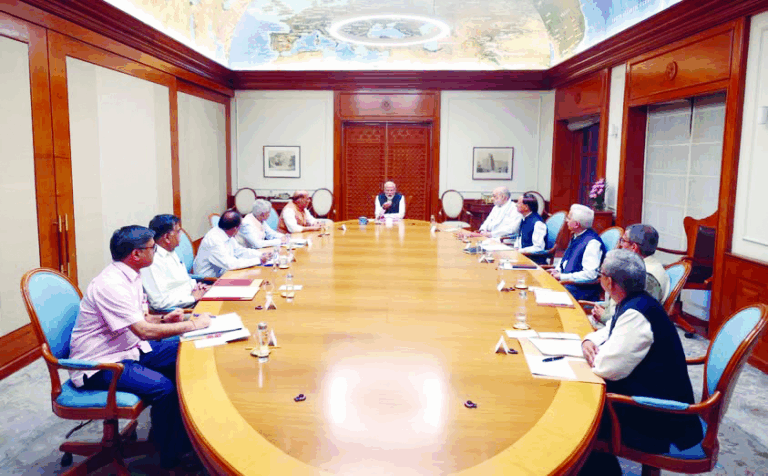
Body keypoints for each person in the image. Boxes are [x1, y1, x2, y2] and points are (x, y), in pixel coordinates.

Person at [68, 225, 213, 470]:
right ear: (136, 254)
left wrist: (164, 319)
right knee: (164, 388)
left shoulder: (132, 275)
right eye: (152, 248)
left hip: (129, 348)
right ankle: (171, 459)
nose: (156, 251)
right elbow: (143, 331)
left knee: (188, 350)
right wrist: (193, 324)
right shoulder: (111, 284)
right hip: (100, 364)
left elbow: (142, 320)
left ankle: (177, 438)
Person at [579, 250, 702, 475]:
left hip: (660, 418)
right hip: (652, 399)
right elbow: (608, 330)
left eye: (601, 274)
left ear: (609, 282)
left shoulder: (637, 313)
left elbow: (606, 368)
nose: (599, 277)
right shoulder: (636, 300)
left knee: (583, 420)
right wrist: (588, 341)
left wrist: (593, 354)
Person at [589, 224, 671, 328]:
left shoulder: (648, 277)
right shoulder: (639, 266)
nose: (620, 245)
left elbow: (638, 318)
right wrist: (603, 307)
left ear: (634, 247)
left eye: (623, 241)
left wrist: (604, 316)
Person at [140, 214, 209, 311]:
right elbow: (159, 303)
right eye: (178, 231)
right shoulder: (151, 262)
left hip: (194, 298)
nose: (180, 235)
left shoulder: (171, 250)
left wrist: (197, 287)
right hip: (182, 311)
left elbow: (182, 280)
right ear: (167, 237)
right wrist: (193, 298)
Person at [548, 203, 606, 301]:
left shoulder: (592, 243)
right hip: (568, 284)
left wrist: (562, 276)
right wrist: (558, 270)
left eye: (569, 218)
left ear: (576, 224)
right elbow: (567, 259)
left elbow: (590, 275)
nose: (566, 220)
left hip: (580, 291)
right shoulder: (576, 235)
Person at [194, 209, 268, 278]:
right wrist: (258, 260)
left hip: (225, 272)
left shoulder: (226, 232)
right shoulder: (213, 240)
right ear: (235, 228)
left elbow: (239, 251)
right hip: (209, 280)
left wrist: (260, 254)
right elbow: (230, 264)